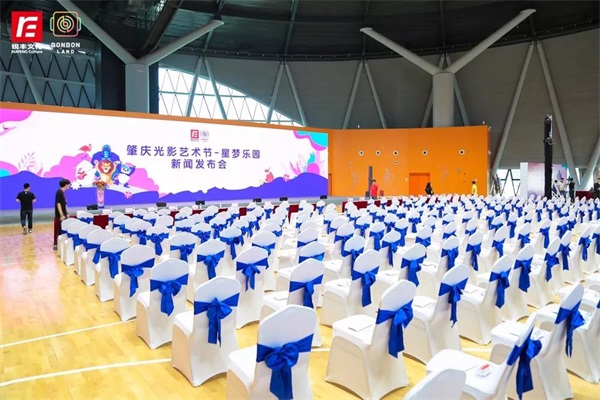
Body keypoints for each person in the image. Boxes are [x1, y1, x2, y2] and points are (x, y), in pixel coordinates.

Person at [53, 179, 71, 251]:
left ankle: (61, 244)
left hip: (64, 214)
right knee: (59, 229)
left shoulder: (62, 193)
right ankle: (56, 244)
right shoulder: (59, 192)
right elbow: (58, 204)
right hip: (60, 215)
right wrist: (61, 215)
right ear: (66, 185)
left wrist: (67, 213)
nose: (69, 186)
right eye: (69, 184)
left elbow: (65, 204)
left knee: (62, 229)